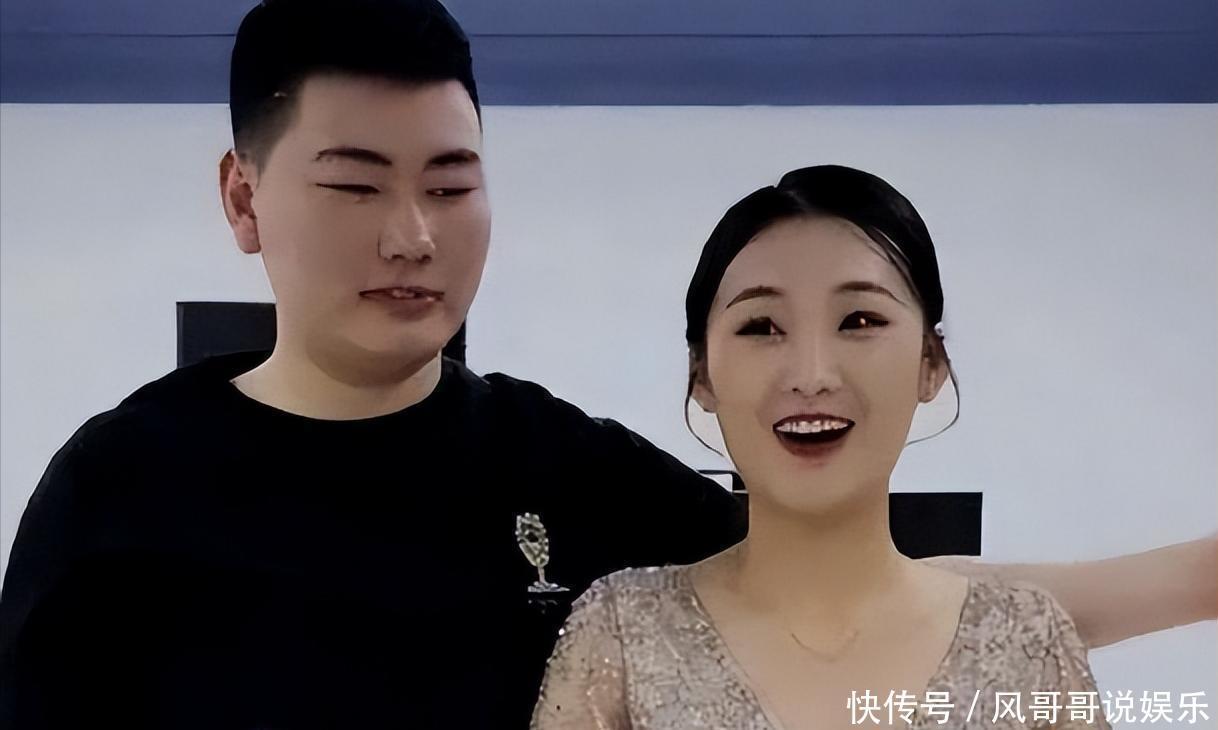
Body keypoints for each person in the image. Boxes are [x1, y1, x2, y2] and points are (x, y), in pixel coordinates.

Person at [0, 1, 1213, 728]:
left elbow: (873, 596)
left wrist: (1198, 576)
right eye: (357, 186)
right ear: (243, 197)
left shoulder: (555, 466)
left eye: (451, 185)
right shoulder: (118, 491)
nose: (412, 235)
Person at [531, 166, 1115, 728]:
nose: (811, 376)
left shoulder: (1028, 639)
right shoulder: (622, 631)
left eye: (859, 321)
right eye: (761, 327)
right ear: (701, 373)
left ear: (931, 363)